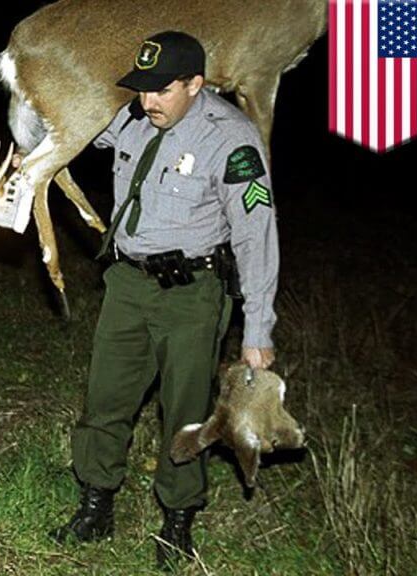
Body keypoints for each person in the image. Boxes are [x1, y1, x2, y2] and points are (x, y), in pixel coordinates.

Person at [50, 31, 279, 569]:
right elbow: (77, 128)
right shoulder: (133, 118)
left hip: (193, 296)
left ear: (196, 84)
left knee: (185, 413)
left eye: (162, 90)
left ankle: (177, 520)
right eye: (142, 89)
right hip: (127, 285)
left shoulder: (234, 140)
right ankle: (95, 505)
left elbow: (256, 236)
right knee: (106, 400)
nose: (147, 101)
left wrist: (257, 330)